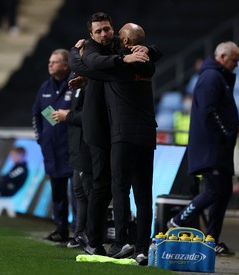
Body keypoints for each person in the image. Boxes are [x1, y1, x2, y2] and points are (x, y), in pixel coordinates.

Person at [69, 12, 161, 259]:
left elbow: (90, 65)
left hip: (121, 134)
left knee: (116, 189)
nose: (107, 35)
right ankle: (132, 246)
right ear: (91, 34)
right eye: (99, 31)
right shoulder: (141, 63)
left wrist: (79, 62)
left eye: (111, 31)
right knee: (131, 191)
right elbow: (85, 64)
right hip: (123, 133)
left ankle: (120, 242)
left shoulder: (118, 62)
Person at [167, 41, 239, 256]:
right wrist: (225, 132)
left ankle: (211, 240)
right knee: (215, 190)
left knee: (223, 193)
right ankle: (179, 220)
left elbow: (221, 110)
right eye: (234, 60)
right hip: (210, 147)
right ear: (223, 57)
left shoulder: (219, 77)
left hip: (217, 147)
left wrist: (236, 125)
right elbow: (208, 112)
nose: (237, 65)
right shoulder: (211, 78)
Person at [32, 49, 75, 243]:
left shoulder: (75, 84)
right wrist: (41, 137)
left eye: (54, 62)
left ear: (65, 66)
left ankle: (80, 231)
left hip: (72, 150)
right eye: (50, 61)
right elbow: (37, 114)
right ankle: (61, 229)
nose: (50, 65)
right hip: (51, 150)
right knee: (57, 192)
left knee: (77, 194)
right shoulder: (45, 87)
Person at [52, 71, 93, 248]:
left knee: (86, 193)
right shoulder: (80, 84)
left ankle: (90, 235)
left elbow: (90, 117)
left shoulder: (91, 85)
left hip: (87, 146)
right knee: (79, 192)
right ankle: (79, 234)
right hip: (77, 147)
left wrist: (67, 116)